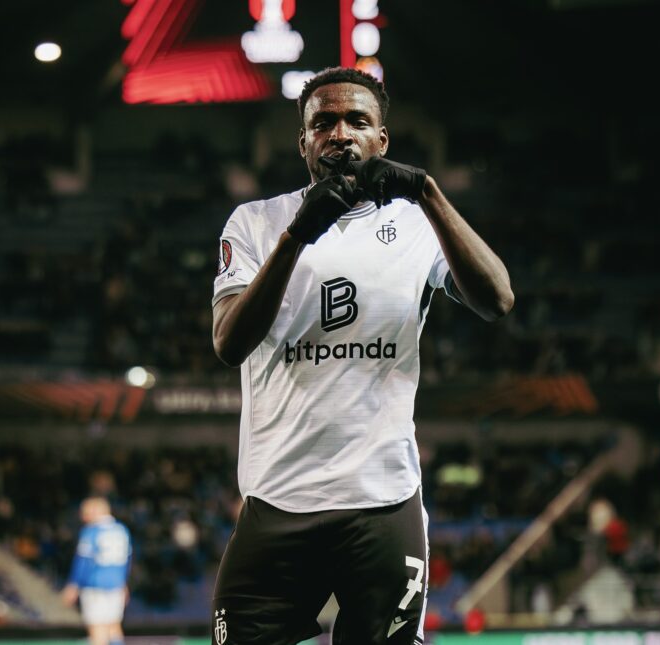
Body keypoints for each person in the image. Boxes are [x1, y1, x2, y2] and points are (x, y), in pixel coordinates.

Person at [211, 66, 514, 645]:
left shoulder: (417, 223)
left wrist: (427, 192)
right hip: (278, 499)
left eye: (357, 120)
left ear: (382, 139)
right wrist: (298, 234)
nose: (340, 134)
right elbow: (229, 342)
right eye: (323, 123)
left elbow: (497, 299)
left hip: (383, 502)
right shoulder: (256, 222)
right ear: (303, 142)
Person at [61, 497, 131, 645]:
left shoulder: (91, 531)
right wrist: (123, 583)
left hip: (94, 585)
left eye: (85, 512)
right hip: (115, 585)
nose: (82, 517)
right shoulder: (122, 530)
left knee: (97, 629)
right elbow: (126, 560)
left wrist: (74, 584)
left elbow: (83, 561)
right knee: (113, 626)